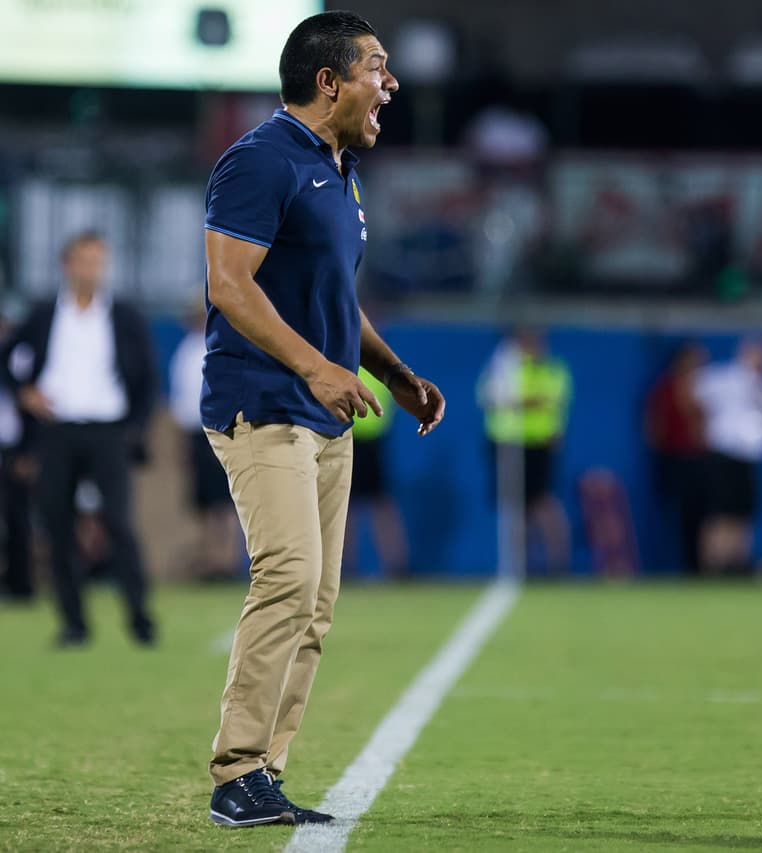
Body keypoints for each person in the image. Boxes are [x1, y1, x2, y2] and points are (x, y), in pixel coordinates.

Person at [201, 11, 445, 828]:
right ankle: (235, 771)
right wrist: (315, 364)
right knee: (289, 579)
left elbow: (338, 300)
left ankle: (265, 772)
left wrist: (394, 372)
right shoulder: (259, 159)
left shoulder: (339, 168)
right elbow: (230, 285)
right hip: (263, 404)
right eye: (378, 67)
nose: (392, 84)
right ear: (328, 81)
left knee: (316, 603)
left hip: (326, 415)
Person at [0, 232, 156, 645]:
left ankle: (140, 619)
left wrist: (135, 426)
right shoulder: (43, 315)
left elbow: (145, 377)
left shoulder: (123, 316)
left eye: (98, 261)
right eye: (84, 261)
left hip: (108, 432)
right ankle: (74, 623)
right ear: (66, 265)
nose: (92, 269)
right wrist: (23, 393)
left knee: (120, 524)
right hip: (56, 431)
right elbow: (7, 357)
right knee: (57, 524)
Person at [477, 327, 573, 575]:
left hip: (537, 444)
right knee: (515, 507)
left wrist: (522, 403)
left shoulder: (552, 368)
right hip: (507, 443)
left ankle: (557, 562)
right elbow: (489, 396)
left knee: (542, 503)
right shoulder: (505, 364)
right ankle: (522, 564)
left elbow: (551, 401)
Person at [693, 339, 762, 574]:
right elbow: (693, 397)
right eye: (756, 353)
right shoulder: (724, 377)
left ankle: (737, 565)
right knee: (720, 511)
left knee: (743, 512)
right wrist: (702, 431)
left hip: (750, 457)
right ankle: (713, 565)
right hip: (724, 454)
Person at [169, 305, 242, 581]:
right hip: (195, 433)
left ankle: (228, 559)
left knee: (225, 500)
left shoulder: (221, 344)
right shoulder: (185, 350)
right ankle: (212, 559)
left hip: (220, 428)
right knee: (204, 501)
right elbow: (180, 399)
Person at [643, 341, 707, 574]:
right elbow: (654, 425)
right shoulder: (665, 388)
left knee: (699, 515)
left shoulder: (705, 387)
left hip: (699, 460)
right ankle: (670, 565)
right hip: (673, 458)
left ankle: (698, 566)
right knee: (673, 514)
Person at [343, 366, 410, 579]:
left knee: (375, 503)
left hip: (366, 439)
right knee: (345, 504)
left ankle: (396, 565)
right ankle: (344, 566)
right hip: (348, 435)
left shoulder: (372, 358)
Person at [0, 310, 34, 603]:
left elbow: (29, 406)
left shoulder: (18, 359)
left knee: (17, 518)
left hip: (12, 448)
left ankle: (20, 583)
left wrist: (27, 450)